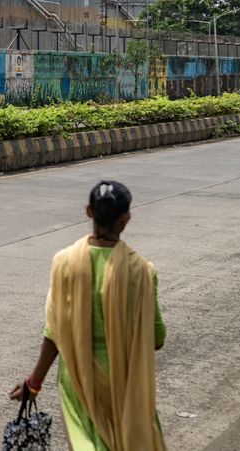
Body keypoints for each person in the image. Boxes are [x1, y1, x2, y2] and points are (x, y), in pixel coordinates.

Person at [10, 180, 166, 450]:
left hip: (77, 380)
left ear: (88, 212)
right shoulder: (141, 271)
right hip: (126, 385)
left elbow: (54, 332)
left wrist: (34, 383)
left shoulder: (65, 262)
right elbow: (156, 339)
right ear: (126, 217)